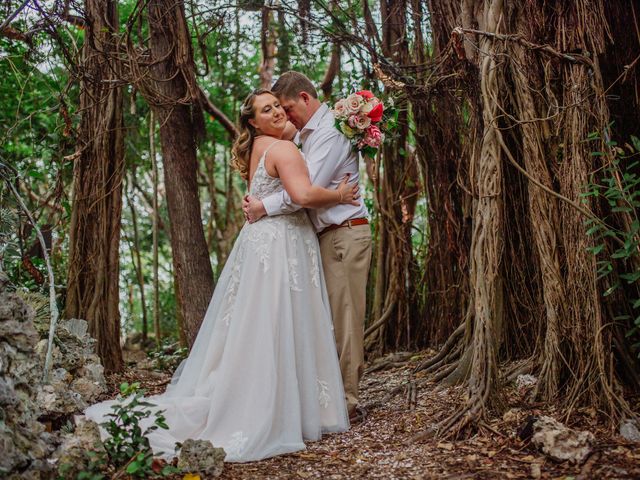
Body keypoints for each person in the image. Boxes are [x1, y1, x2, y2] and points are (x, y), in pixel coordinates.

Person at [85, 89, 359, 462]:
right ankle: (282, 408)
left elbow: (280, 194)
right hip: (282, 244)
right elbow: (304, 195)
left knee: (261, 322)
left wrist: (264, 205)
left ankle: (269, 399)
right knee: (281, 320)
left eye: (278, 105)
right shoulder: (283, 150)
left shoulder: (258, 149)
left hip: (264, 241)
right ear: (252, 120)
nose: (277, 112)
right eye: (267, 109)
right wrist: (341, 195)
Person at [243, 72, 373, 422]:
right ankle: (320, 398)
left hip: (344, 234)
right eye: (274, 110)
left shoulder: (328, 133)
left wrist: (262, 206)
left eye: (285, 108)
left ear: (304, 98)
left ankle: (346, 402)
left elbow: (305, 192)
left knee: (345, 322)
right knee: (325, 321)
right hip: (325, 237)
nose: (284, 116)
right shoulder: (305, 134)